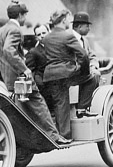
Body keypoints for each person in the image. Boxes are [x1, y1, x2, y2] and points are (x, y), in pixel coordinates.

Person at [0, 0, 70, 145]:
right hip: (19, 79)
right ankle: (54, 136)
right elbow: (9, 50)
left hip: (3, 80)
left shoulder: (0, 31)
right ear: (20, 15)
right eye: (25, 15)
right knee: (39, 103)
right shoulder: (15, 30)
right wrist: (24, 69)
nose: (25, 18)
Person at [40, 9, 88, 139]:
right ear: (63, 20)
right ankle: (65, 134)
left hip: (50, 75)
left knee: (59, 103)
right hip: (65, 73)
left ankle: (61, 133)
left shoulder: (46, 38)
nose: (69, 21)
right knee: (90, 78)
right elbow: (83, 55)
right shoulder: (67, 35)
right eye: (68, 19)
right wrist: (82, 70)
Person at [70, 12, 101, 116]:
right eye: (87, 26)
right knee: (94, 76)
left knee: (95, 74)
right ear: (79, 27)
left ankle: (84, 107)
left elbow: (92, 55)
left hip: (83, 73)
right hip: (72, 73)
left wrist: (93, 66)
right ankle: (82, 109)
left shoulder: (85, 40)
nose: (89, 29)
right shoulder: (69, 39)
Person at [25, 24, 54, 112]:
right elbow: (30, 70)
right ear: (36, 37)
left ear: (49, 33)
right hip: (45, 86)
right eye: (39, 34)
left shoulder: (56, 48)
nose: (42, 36)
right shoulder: (34, 52)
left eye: (44, 33)